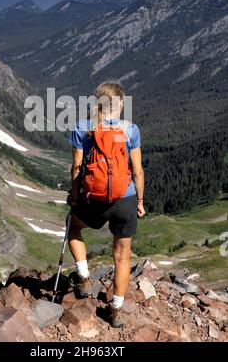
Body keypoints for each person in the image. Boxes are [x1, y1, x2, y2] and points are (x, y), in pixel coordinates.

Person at [67, 81, 145, 328]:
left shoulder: (82, 127)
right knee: (122, 258)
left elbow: (77, 168)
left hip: (94, 198)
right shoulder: (130, 130)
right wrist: (140, 202)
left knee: (73, 226)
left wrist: (76, 196)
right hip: (125, 199)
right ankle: (116, 310)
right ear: (120, 104)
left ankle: (83, 276)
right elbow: (138, 172)